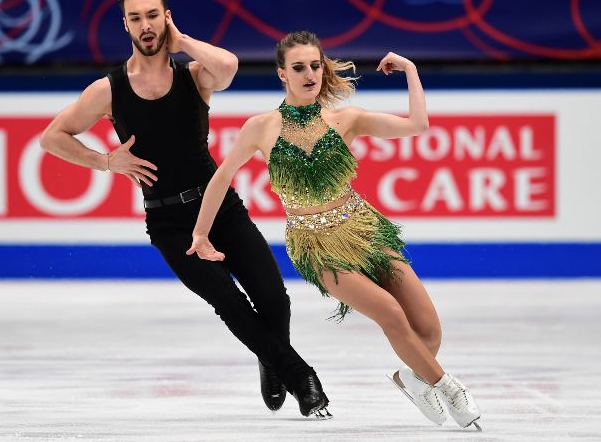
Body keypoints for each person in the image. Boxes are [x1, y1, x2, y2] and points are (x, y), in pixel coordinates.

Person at [39, 0, 331, 419]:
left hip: (220, 208)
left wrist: (184, 41)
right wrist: (105, 162)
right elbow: (51, 137)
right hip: (169, 223)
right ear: (126, 25)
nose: (146, 26)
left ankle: (270, 359)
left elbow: (230, 68)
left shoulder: (194, 75)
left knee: (274, 299)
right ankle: (299, 375)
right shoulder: (109, 90)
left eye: (153, 15)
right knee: (230, 302)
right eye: (136, 18)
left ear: (166, 19)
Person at [187, 31, 482, 430]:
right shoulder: (260, 127)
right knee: (392, 315)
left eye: (315, 65)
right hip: (315, 245)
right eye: (298, 68)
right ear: (282, 74)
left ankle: (411, 379)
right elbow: (221, 179)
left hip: (363, 229)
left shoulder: (347, 119)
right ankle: (449, 388)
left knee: (428, 329)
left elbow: (417, 125)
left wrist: (411, 69)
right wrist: (202, 233)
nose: (309, 74)